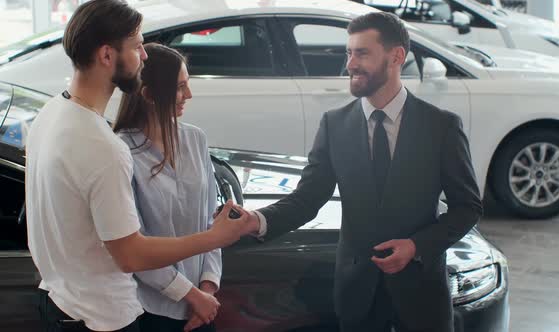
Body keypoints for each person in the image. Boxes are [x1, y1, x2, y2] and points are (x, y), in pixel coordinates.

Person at [25, 1, 258, 331]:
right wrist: (216, 237)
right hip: (101, 318)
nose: (145, 55)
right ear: (107, 56)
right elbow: (131, 256)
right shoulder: (103, 147)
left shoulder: (50, 114)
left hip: (63, 303)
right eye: (136, 46)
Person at [245, 12, 483, 332]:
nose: (350, 64)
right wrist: (258, 220)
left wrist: (416, 247)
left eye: (362, 53)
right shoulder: (334, 125)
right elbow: (308, 198)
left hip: (422, 295)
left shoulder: (441, 126)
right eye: (349, 52)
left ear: (396, 56)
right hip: (357, 294)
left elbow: (467, 207)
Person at [113, 43, 220, 332]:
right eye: (180, 87)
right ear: (148, 95)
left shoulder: (196, 138)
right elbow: (135, 245)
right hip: (153, 310)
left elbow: (211, 221)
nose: (189, 95)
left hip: (204, 306)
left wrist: (207, 289)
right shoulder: (122, 151)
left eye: (188, 84)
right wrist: (191, 295)